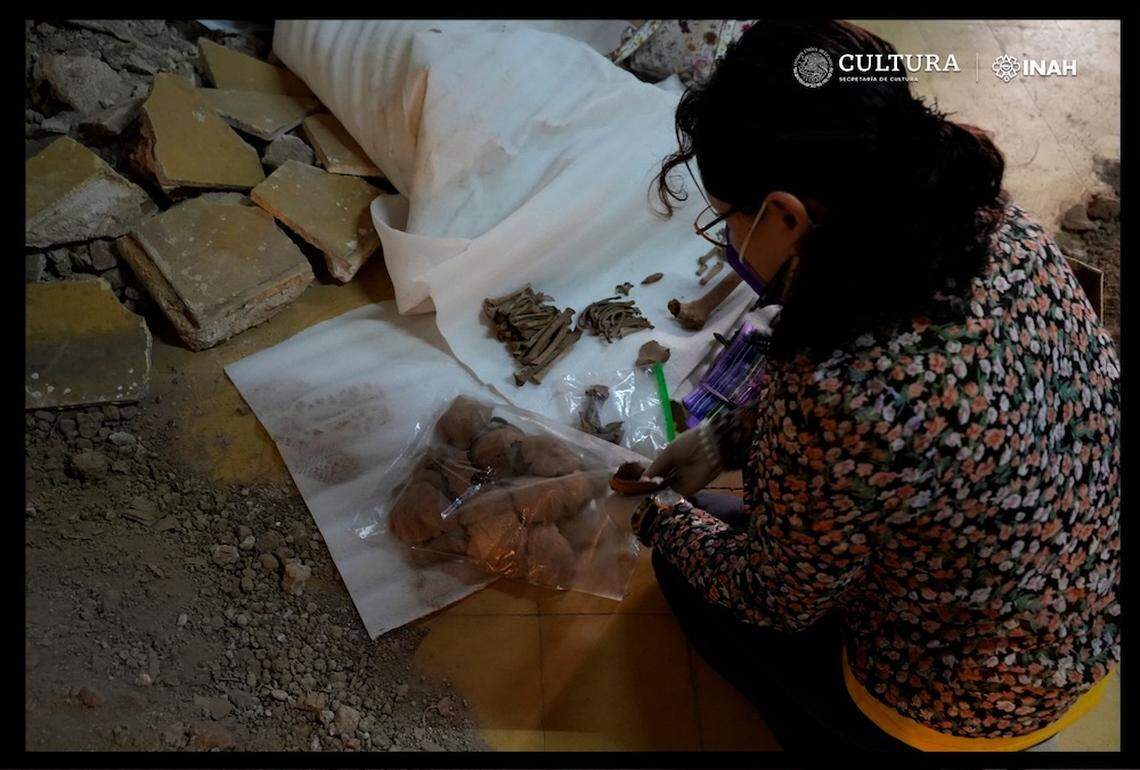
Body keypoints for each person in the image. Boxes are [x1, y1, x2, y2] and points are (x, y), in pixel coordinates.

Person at [634, 20, 1120, 752]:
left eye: (728, 216)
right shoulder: (996, 221)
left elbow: (777, 597)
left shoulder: (836, 382)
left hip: (962, 705)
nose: (726, 235)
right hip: (1090, 619)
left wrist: (653, 521)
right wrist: (727, 436)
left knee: (688, 562)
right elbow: (908, 426)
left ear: (786, 214)